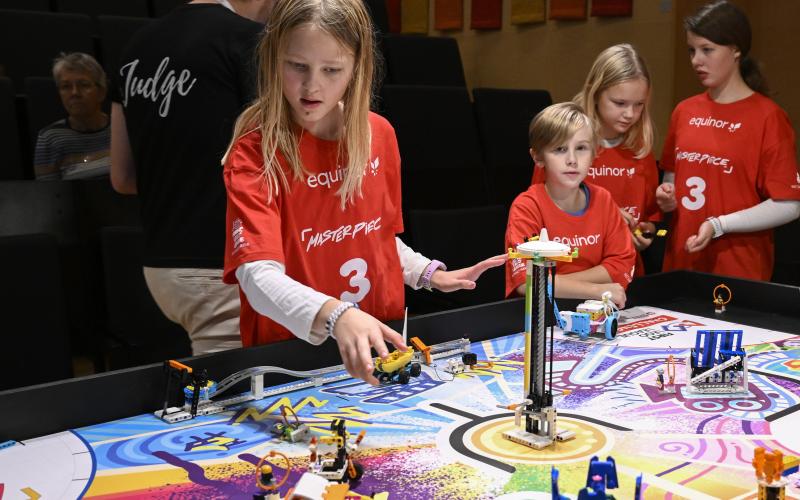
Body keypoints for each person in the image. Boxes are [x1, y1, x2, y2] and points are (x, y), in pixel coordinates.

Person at [222, 0, 504, 385]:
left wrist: (426, 273)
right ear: (273, 59)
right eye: (297, 66)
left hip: (379, 342)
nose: (312, 86)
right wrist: (337, 315)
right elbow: (257, 277)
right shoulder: (256, 151)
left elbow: (377, 236)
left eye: (332, 70)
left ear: (357, 69)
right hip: (292, 359)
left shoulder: (379, 135)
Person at [110, 0, 273, 355]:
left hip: (161, 269)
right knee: (238, 398)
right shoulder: (250, 41)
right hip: (222, 264)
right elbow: (276, 160)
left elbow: (121, 177)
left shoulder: (135, 45)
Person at [656, 0, 800, 281]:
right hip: (681, 261)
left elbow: (789, 204)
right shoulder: (684, 111)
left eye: (707, 50)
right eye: (692, 50)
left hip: (738, 269)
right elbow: (672, 183)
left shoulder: (768, 117)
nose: (696, 60)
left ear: (736, 50)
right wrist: (666, 199)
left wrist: (720, 224)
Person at [532, 44, 659, 277]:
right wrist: (605, 216)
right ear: (596, 92)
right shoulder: (564, 145)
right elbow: (539, 214)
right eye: (619, 103)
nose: (630, 113)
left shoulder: (641, 150)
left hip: (625, 277)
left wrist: (644, 233)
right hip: (569, 276)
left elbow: (650, 219)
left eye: (639, 105)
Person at [506, 102, 636, 307]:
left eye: (582, 148)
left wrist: (554, 282)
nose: (572, 159)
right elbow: (526, 282)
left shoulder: (603, 199)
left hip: (596, 309)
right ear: (538, 157)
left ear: (594, 153)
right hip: (542, 314)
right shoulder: (527, 206)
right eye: (560, 149)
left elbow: (620, 266)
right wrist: (596, 289)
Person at [34, 52, 110, 180]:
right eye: (66, 87)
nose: (75, 93)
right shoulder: (50, 138)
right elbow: (48, 194)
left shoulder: (122, 129)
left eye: (84, 85)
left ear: (101, 92)